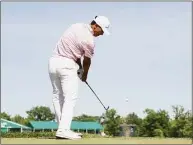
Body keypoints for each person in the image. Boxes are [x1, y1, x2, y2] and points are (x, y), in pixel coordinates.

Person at [48, 16, 111, 140]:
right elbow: (87, 60)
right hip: (67, 65)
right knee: (70, 98)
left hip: (53, 63)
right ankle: (63, 130)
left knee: (57, 96)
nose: (101, 34)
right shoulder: (90, 41)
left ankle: (62, 128)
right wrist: (84, 74)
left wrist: (80, 69)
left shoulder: (75, 26)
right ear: (96, 26)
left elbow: (74, 52)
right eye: (101, 31)